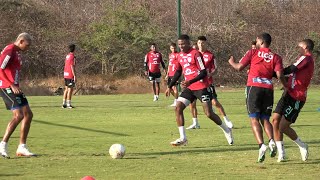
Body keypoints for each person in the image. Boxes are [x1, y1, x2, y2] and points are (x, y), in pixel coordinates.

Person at [165, 34, 233, 146]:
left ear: (189, 43)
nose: (181, 46)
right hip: (189, 88)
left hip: (201, 87)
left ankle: (226, 129)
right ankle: (183, 138)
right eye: (179, 44)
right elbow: (178, 72)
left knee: (209, 114)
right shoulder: (180, 56)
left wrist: (190, 81)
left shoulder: (196, 54)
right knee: (178, 108)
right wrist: (169, 86)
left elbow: (203, 72)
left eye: (183, 44)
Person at [228, 33, 286, 162]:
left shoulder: (253, 52)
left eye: (258, 40)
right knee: (265, 119)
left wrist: (231, 62)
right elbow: (279, 74)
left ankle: (261, 145)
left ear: (260, 41)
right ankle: (271, 141)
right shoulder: (276, 57)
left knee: (254, 119)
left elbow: (239, 67)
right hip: (268, 89)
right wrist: (285, 86)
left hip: (254, 87)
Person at [272, 39, 314, 162]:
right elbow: (291, 75)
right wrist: (273, 74)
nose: (298, 48)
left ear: (306, 47)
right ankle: (282, 153)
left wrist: (274, 72)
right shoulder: (303, 59)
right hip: (288, 93)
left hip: (297, 97)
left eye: (299, 46)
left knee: (283, 127)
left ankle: (302, 145)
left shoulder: (306, 58)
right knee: (275, 120)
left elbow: (290, 69)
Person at [0, 33, 36, 158]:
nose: (28, 48)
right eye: (27, 45)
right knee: (19, 115)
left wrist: (16, 85)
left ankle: (22, 147)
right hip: (6, 87)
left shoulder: (16, 52)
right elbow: (0, 69)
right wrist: (11, 85)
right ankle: (3, 144)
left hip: (14, 87)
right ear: (21, 41)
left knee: (28, 114)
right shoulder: (9, 50)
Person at [187, 36, 233, 129]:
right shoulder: (194, 54)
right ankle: (195, 123)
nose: (200, 44)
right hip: (195, 83)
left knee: (215, 103)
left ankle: (226, 120)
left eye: (202, 43)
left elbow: (215, 69)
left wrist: (210, 74)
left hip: (207, 83)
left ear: (206, 43)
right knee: (192, 104)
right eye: (199, 43)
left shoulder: (210, 55)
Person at [62, 44, 76, 108]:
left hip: (65, 74)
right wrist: (74, 75)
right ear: (74, 49)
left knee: (66, 89)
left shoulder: (67, 56)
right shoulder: (72, 56)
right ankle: (68, 104)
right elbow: (72, 66)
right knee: (70, 89)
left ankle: (64, 103)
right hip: (70, 74)